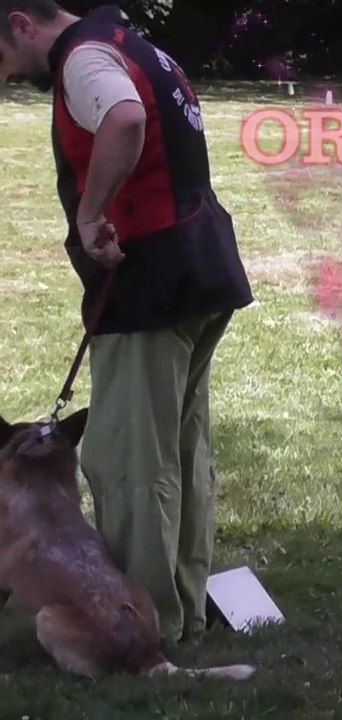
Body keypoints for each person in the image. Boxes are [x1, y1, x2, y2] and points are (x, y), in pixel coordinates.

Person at [0, 1, 254, 644]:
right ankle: (182, 613)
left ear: (22, 25)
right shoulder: (130, 42)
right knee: (182, 453)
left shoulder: (84, 58)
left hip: (150, 281)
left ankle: (139, 628)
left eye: (1, 59)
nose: (6, 75)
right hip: (199, 264)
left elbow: (125, 117)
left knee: (129, 463)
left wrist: (90, 215)